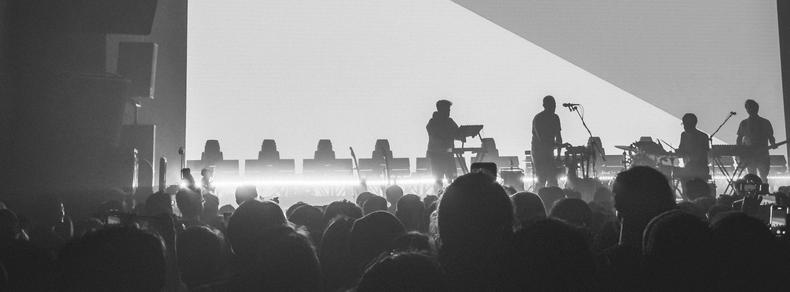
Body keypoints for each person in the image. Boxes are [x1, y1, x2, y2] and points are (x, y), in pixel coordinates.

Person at [736, 99, 777, 182]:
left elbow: (771, 137)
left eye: (751, 108)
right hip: (750, 155)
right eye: (748, 108)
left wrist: (773, 143)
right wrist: (739, 151)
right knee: (752, 177)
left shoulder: (765, 122)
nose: (750, 110)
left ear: (756, 109)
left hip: (762, 154)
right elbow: (739, 138)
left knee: (763, 176)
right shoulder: (744, 123)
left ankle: (764, 191)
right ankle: (755, 192)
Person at [426, 99, 461, 185]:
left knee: (452, 178)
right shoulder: (433, 123)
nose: (449, 112)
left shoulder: (449, 122)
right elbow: (439, 135)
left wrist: (464, 134)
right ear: (441, 110)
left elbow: (457, 133)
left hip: (448, 154)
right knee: (439, 179)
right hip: (436, 155)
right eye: (447, 110)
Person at [531, 95, 563, 189]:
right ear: (545, 105)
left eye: (554, 105)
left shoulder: (555, 118)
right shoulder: (538, 118)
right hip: (539, 153)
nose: (554, 107)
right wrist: (558, 145)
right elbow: (542, 139)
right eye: (551, 105)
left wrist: (558, 156)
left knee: (553, 179)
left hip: (549, 152)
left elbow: (559, 137)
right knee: (541, 178)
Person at [676, 113, 710, 183]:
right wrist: (678, 151)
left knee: (682, 175)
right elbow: (681, 150)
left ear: (693, 124)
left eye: (686, 124)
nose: (684, 126)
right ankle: (686, 193)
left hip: (700, 168)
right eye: (684, 124)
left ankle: (686, 192)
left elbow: (702, 155)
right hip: (689, 167)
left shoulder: (702, 136)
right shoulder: (684, 135)